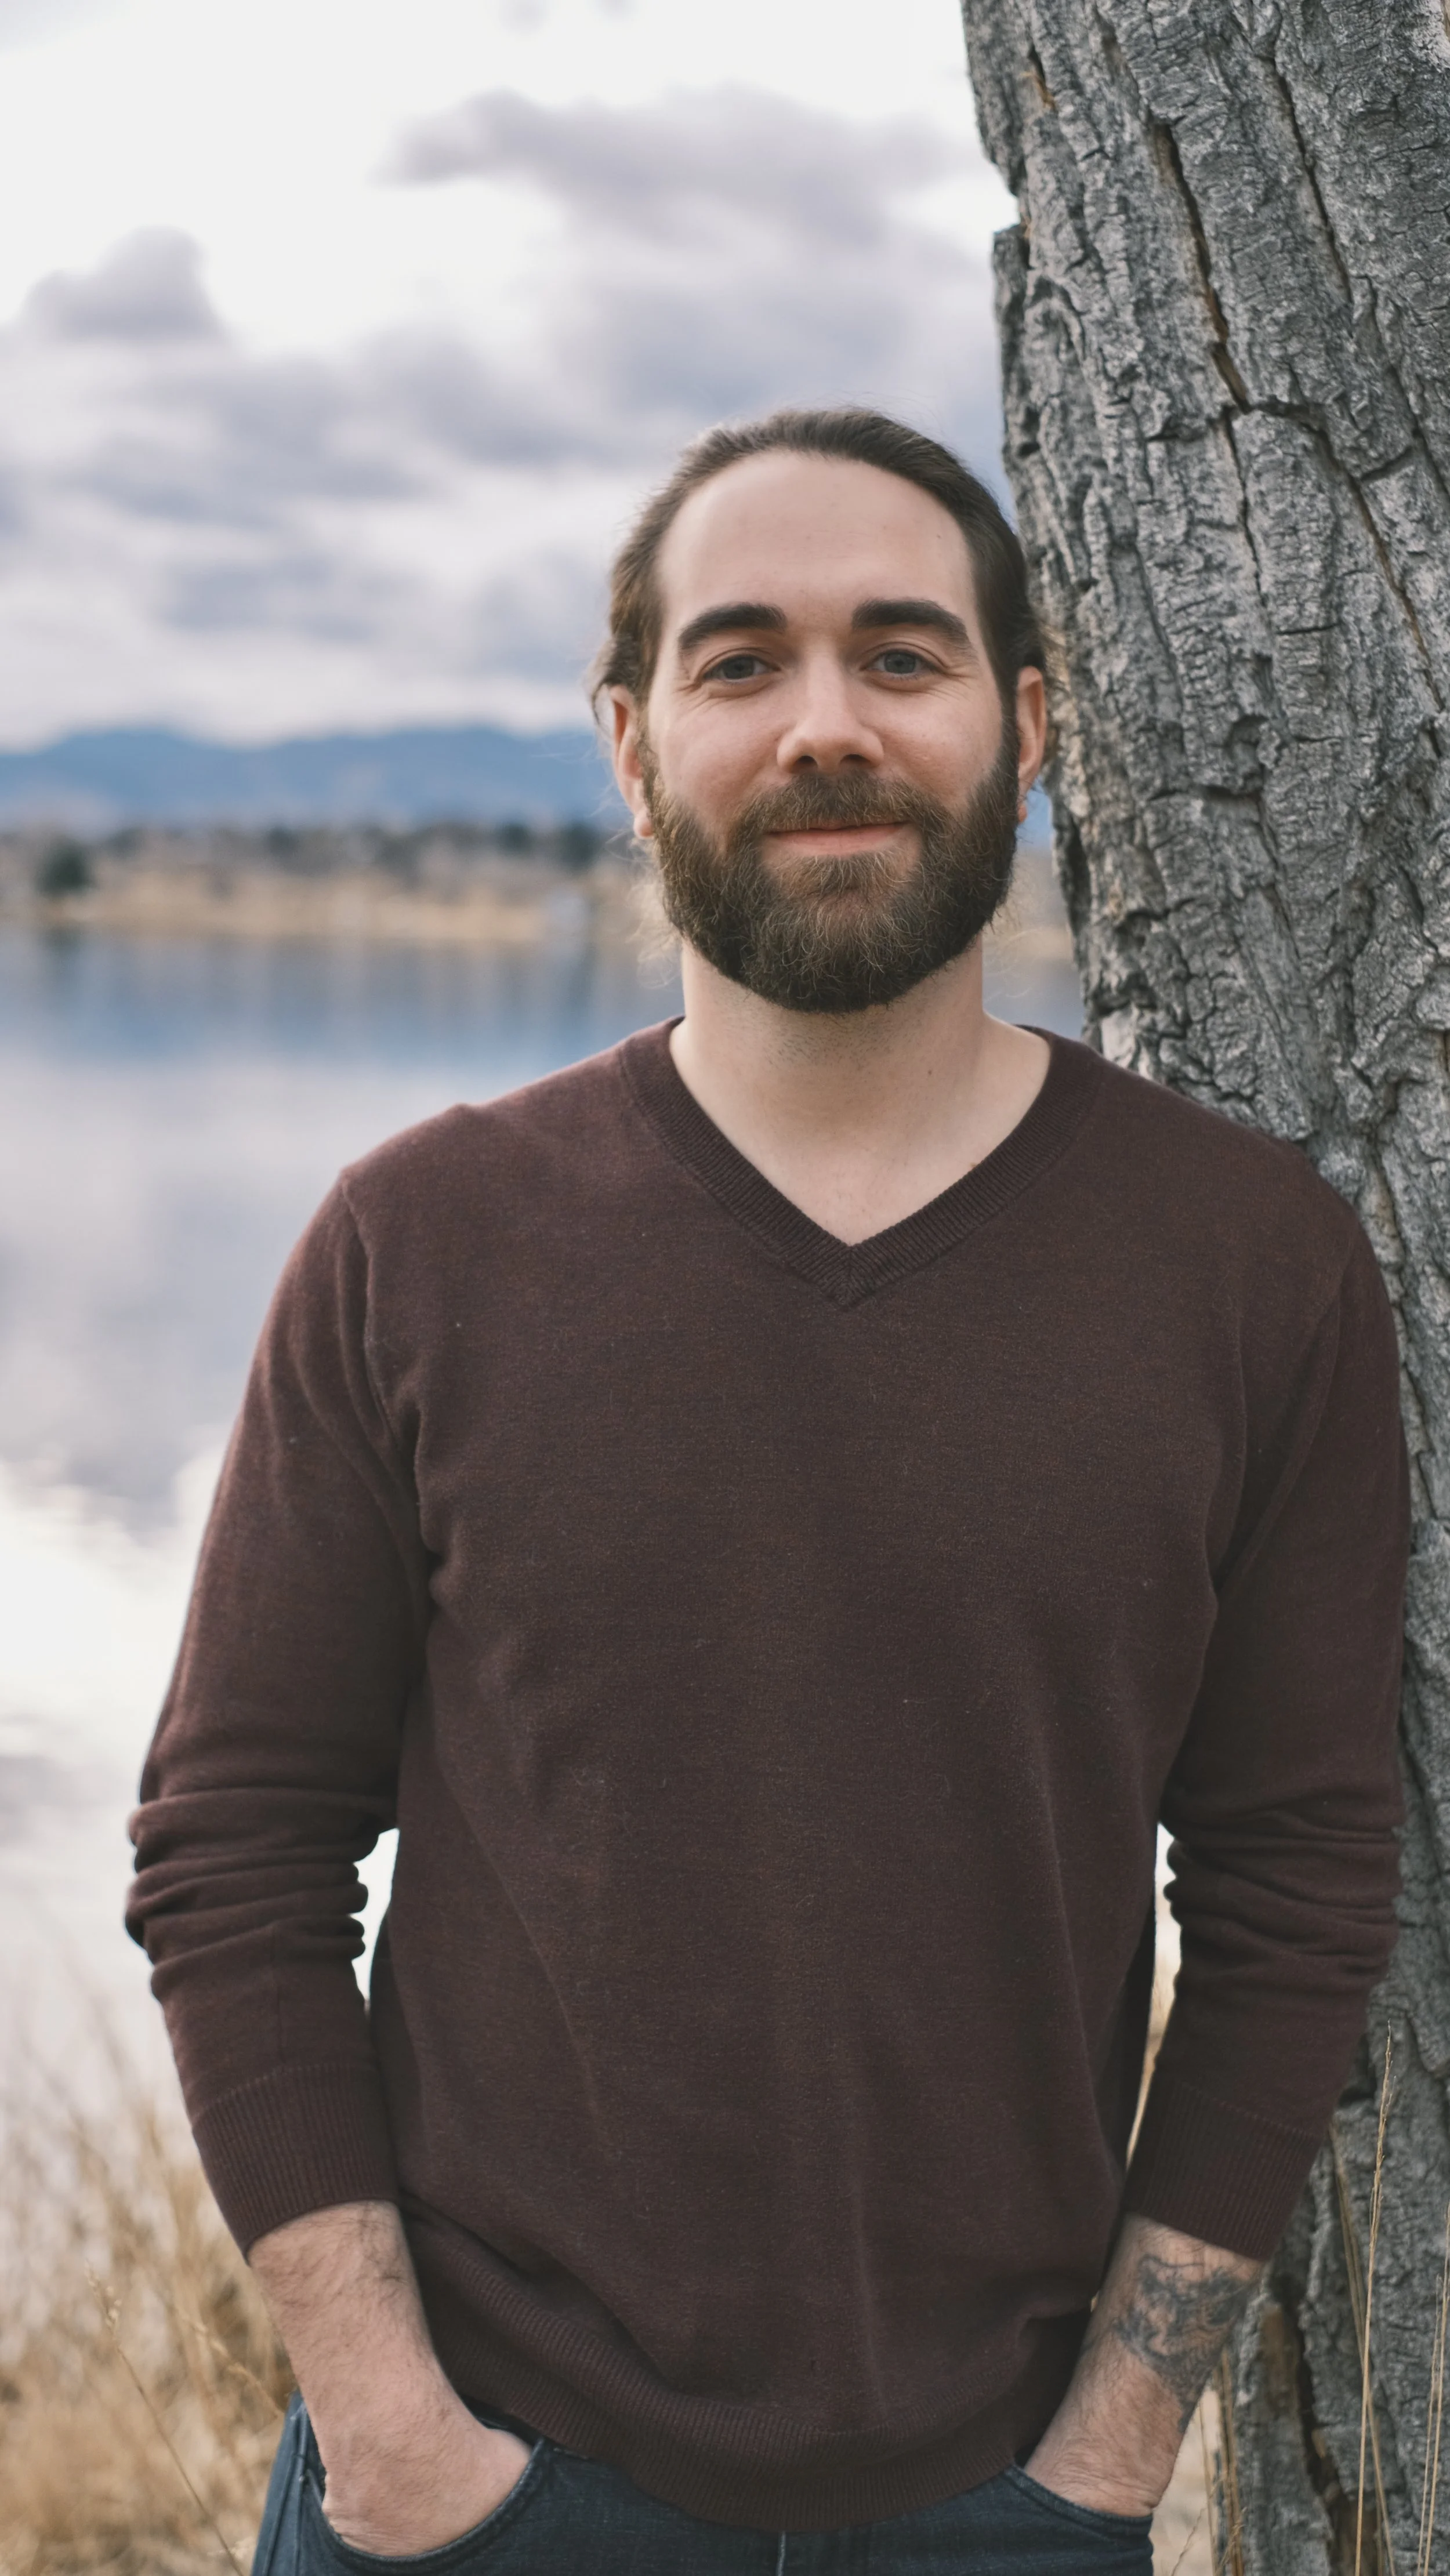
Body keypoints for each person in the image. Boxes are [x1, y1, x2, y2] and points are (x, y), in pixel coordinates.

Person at [128, 408, 1408, 2575]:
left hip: (1002, 2505)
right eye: (741, 663)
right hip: (475, 2492)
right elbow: (234, 1854)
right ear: (630, 744)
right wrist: (398, 2443)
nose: (825, 724)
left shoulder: (1244, 1263)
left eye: (898, 657)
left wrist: (1101, 2462)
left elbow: (1292, 1889)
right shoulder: (420, 1242)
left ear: (1022, 722)